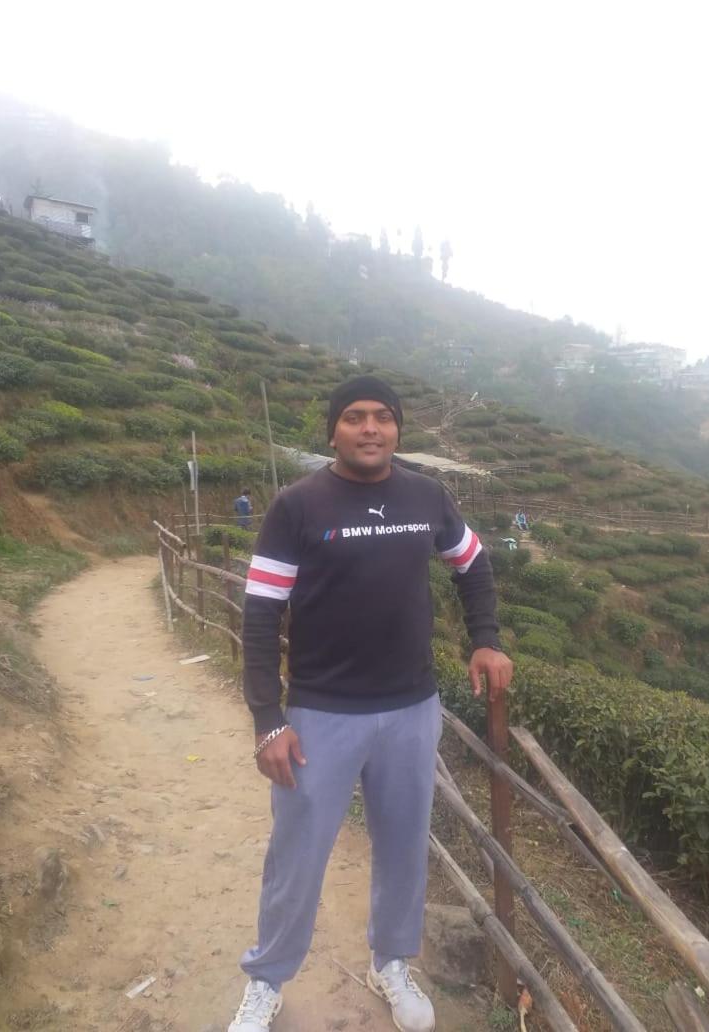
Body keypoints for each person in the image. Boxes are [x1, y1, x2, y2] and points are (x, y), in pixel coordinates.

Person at [227, 376, 513, 1032]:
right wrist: (268, 719)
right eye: (354, 417)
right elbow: (262, 612)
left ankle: (391, 963)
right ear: (333, 430)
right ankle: (267, 978)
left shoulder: (426, 496)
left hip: (411, 709)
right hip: (320, 714)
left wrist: (486, 640)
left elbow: (471, 563)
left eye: (383, 416)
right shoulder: (297, 506)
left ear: (397, 428)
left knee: (404, 846)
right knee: (297, 853)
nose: (370, 428)